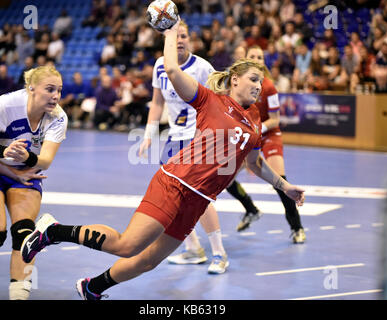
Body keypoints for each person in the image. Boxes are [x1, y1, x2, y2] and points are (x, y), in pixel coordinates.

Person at [20, 19, 305, 300]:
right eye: (253, 80)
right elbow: (171, 68)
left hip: (199, 201)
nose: (259, 86)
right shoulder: (210, 100)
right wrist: (170, 32)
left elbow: (254, 163)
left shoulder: (255, 118)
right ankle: (53, 232)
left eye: (261, 81)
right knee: (127, 245)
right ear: (234, 80)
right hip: (175, 184)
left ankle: (92, 287)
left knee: (148, 261)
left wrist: (285, 186)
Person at [0, 65, 68, 300]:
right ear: (31, 88)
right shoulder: (5, 105)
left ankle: (19, 296)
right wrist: (3, 151)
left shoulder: (58, 117)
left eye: (59, 91)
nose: (56, 96)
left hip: (26, 172)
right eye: (50, 89)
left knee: (25, 235)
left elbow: (45, 161)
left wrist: (26, 158)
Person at [138, 20, 229, 274]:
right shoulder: (159, 65)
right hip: (173, 138)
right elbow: (156, 103)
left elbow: (219, 104)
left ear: (191, 39)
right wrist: (148, 135)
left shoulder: (202, 68)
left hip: (198, 137)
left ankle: (219, 253)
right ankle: (194, 249)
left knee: (199, 196)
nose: (180, 40)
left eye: (184, 36)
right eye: (175, 36)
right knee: (172, 195)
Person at [239, 45, 305, 243]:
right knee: (224, 176)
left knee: (279, 179)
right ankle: (250, 209)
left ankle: (297, 227)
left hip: (269, 134)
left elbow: (275, 120)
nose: (257, 59)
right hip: (249, 135)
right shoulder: (237, 85)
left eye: (260, 57)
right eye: (253, 56)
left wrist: (256, 131)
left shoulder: (268, 87)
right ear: (246, 59)